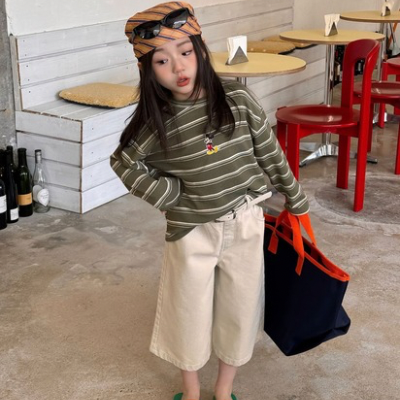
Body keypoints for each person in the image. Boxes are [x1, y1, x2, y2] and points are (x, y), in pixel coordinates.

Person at [110, 2, 309, 400]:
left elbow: (269, 151)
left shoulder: (238, 99)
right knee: (187, 313)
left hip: (246, 221)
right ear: (148, 70)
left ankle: (223, 390)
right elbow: (124, 162)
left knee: (240, 309)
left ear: (200, 49)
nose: (178, 67)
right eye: (162, 61)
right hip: (191, 232)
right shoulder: (156, 121)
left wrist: (295, 197)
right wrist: (167, 195)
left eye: (185, 52)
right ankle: (191, 392)